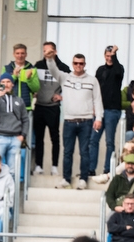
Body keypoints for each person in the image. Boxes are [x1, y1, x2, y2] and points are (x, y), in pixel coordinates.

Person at [44, 46, 102, 190]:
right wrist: (50, 58)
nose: (78, 66)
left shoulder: (92, 80)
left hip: (86, 121)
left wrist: (99, 118)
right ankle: (66, 179)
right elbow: (53, 71)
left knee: (84, 152)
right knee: (67, 151)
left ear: (85, 64)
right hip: (69, 121)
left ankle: (83, 179)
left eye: (81, 63)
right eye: (75, 63)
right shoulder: (65, 78)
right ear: (72, 63)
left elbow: (97, 100)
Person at [89, 45, 124, 178]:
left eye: (112, 56)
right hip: (99, 111)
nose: (110, 58)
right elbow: (95, 89)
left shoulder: (119, 68)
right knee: (93, 140)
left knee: (109, 141)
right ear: (104, 56)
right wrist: (93, 106)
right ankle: (91, 169)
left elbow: (117, 72)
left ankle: (108, 170)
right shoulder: (100, 70)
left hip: (112, 111)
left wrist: (115, 55)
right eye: (108, 56)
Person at [32, 44, 67, 176]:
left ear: (55, 51)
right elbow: (32, 82)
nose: (46, 53)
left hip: (53, 108)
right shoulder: (38, 65)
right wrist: (33, 92)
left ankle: (54, 166)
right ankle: (39, 165)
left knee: (55, 138)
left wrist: (62, 96)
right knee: (39, 138)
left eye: (49, 50)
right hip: (39, 106)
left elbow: (70, 83)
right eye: (44, 50)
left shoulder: (63, 67)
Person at [0, 73, 28, 168]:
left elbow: (25, 119)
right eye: (3, 82)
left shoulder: (19, 100)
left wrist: (23, 135)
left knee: (13, 171)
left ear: (12, 84)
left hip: (15, 138)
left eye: (8, 82)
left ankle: (12, 184)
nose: (6, 84)